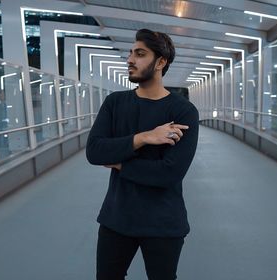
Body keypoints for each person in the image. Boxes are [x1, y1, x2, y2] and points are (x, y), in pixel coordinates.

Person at [86, 28, 199, 280]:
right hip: (116, 219)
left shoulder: (183, 112)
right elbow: (94, 151)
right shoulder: (115, 102)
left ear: (161, 62)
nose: (130, 60)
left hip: (163, 223)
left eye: (140, 54)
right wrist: (144, 137)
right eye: (130, 53)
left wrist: (119, 162)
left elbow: (168, 174)